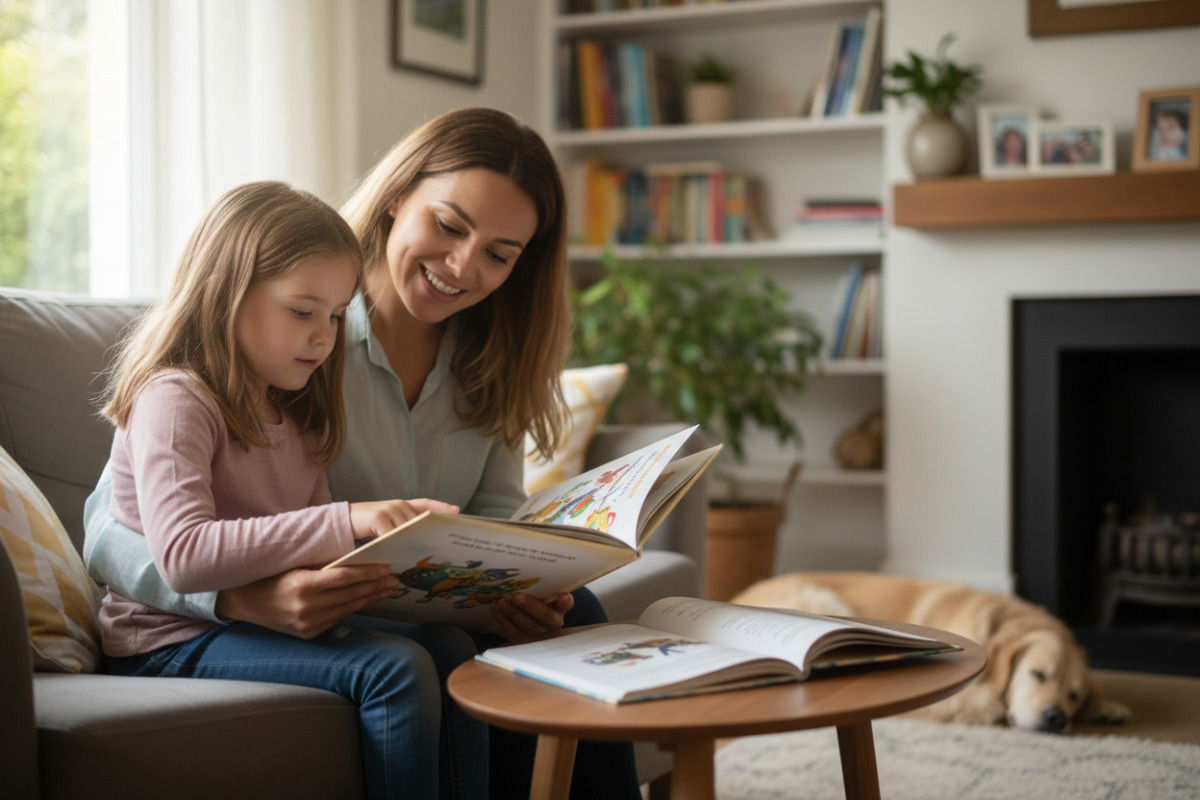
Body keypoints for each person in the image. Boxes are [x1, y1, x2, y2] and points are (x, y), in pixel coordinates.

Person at [84, 108, 641, 799]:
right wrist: (241, 600)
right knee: (431, 661)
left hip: (409, 600)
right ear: (398, 196)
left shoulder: (489, 356)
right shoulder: (290, 342)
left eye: (499, 254)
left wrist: (526, 584)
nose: (463, 266)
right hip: (310, 606)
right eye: (448, 224)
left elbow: (496, 512)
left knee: (575, 612)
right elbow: (115, 529)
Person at [96, 179, 464, 799]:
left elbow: (307, 550)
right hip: (165, 640)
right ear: (225, 294)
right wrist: (349, 520)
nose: (324, 337)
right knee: (394, 669)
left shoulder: (292, 410)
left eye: (336, 315)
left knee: (451, 645)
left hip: (245, 629)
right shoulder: (174, 398)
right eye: (302, 311)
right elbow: (184, 556)